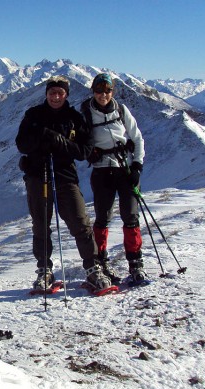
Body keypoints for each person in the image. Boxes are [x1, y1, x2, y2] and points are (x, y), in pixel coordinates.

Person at [16, 76, 107, 291]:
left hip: (65, 176)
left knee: (80, 223)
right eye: (52, 93)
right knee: (40, 226)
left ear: (66, 94)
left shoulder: (75, 118)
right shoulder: (33, 115)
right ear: (47, 94)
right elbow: (21, 144)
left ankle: (93, 268)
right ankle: (44, 270)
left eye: (60, 93)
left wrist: (61, 142)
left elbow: (84, 152)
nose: (56, 97)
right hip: (38, 175)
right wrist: (42, 137)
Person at [81, 73, 147, 285]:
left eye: (108, 90)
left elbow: (136, 137)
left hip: (124, 168)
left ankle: (136, 265)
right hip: (102, 171)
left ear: (113, 91)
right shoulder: (85, 113)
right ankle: (101, 264)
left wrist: (137, 164)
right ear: (93, 90)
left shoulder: (121, 109)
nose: (103, 94)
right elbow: (80, 140)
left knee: (131, 217)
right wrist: (89, 151)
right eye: (99, 90)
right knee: (102, 219)